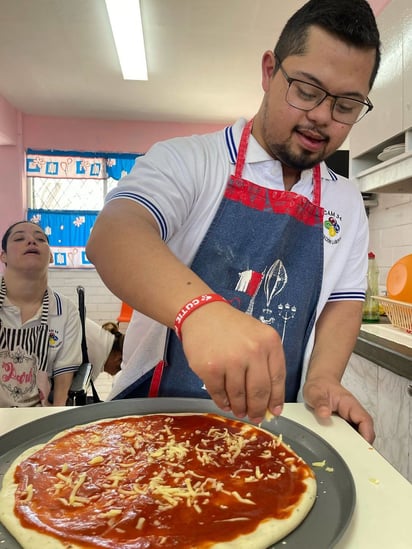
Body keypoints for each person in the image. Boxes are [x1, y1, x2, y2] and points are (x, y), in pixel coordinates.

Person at [87, 0, 380, 442]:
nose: (322, 115)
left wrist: (323, 379)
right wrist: (201, 312)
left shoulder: (346, 200)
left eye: (346, 105)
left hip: (275, 431)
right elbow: (115, 233)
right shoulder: (190, 160)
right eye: (306, 90)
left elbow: (342, 301)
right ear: (269, 71)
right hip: (155, 420)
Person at [0, 221, 82, 406]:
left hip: (38, 416)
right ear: (3, 256)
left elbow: (63, 381)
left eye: (40, 239)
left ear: (51, 256)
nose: (31, 241)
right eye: (19, 238)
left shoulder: (66, 310)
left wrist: (56, 419)